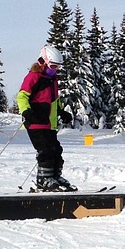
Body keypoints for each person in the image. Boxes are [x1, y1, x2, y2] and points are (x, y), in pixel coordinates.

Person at [16, 45, 76, 191]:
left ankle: (54, 176)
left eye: (57, 67)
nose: (55, 70)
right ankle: (44, 179)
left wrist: (62, 112)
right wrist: (26, 112)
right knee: (46, 151)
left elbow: (55, 100)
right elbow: (22, 96)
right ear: (43, 61)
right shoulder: (33, 77)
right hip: (36, 122)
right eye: (53, 66)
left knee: (56, 150)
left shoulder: (52, 79)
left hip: (49, 124)